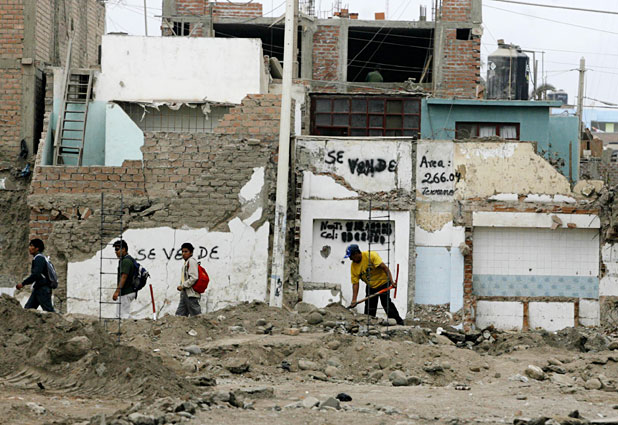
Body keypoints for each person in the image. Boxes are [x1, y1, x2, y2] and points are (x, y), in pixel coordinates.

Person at [346, 243, 404, 325]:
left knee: (386, 303)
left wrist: (392, 282)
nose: (350, 259)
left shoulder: (371, 256)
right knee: (370, 306)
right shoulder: (353, 266)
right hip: (371, 286)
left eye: (351, 257)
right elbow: (355, 283)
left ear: (356, 254)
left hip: (383, 282)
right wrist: (354, 300)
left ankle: (399, 322)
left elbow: (385, 268)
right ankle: (368, 324)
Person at [15, 238, 55, 312]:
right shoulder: (40, 258)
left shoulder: (39, 259)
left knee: (50, 312)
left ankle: (59, 323)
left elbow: (35, 275)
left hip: (42, 289)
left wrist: (23, 283)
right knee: (28, 310)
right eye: (29, 246)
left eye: (31, 246)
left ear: (37, 248)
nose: (29, 248)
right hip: (38, 288)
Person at [175, 242, 201, 316]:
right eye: (182, 251)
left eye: (186, 251)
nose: (183, 253)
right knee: (179, 315)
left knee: (196, 316)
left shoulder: (191, 261)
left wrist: (182, 286)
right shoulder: (186, 262)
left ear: (191, 253)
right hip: (185, 293)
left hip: (191, 294)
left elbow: (194, 277)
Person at [112, 239, 135, 319]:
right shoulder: (126, 260)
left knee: (124, 315)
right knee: (119, 315)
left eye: (117, 249)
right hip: (126, 292)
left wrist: (117, 291)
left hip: (126, 292)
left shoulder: (126, 261)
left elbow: (124, 277)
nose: (116, 252)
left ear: (123, 249)